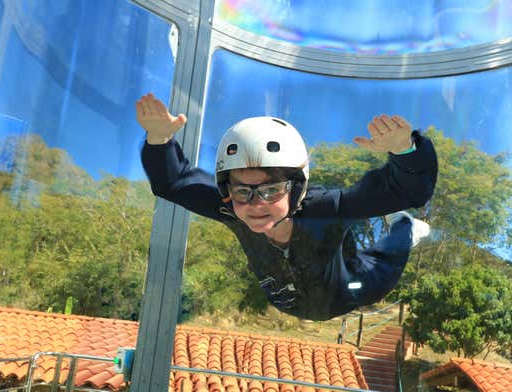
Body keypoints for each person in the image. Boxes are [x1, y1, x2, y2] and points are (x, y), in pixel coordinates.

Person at [137, 93, 438, 321]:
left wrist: (405, 150)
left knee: (385, 260)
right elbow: (174, 182)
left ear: (298, 189)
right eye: (243, 190)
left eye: (271, 190)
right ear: (227, 191)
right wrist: (160, 139)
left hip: (348, 290)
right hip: (287, 301)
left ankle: (406, 228)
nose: (255, 204)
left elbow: (406, 192)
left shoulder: (327, 208)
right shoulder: (232, 207)